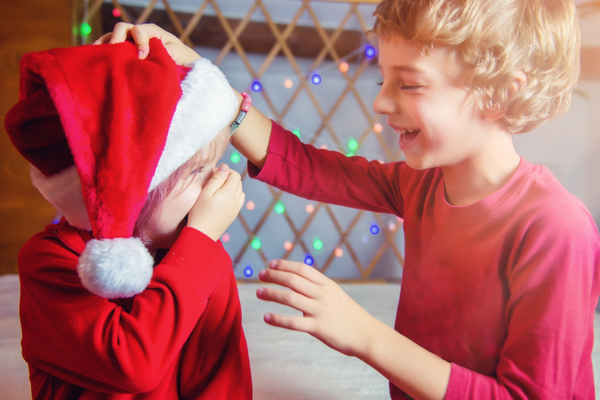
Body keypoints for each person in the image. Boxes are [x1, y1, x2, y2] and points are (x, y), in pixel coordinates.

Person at [99, 0, 600, 397]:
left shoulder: (556, 230)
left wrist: (364, 334)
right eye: (386, 80)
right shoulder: (423, 185)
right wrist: (199, 72)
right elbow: (308, 168)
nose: (381, 102)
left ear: (499, 94)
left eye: (409, 84)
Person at [4, 38, 252, 399]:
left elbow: (222, 381)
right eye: (198, 170)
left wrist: (200, 246)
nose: (217, 181)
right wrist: (198, 241)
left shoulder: (205, 258)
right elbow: (132, 365)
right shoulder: (49, 262)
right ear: (134, 189)